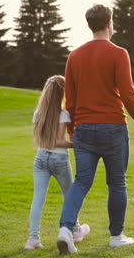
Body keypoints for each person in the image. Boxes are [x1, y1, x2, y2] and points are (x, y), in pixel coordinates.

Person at [56, 4, 134, 255]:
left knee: (82, 181)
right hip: (113, 128)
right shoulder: (119, 53)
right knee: (117, 183)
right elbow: (128, 93)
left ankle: (65, 230)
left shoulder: (74, 55)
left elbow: (70, 99)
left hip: (84, 129)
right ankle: (116, 236)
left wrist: (72, 129)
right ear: (109, 23)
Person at [25, 75, 90, 250]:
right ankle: (76, 230)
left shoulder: (38, 113)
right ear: (62, 93)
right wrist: (77, 144)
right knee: (70, 196)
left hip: (40, 158)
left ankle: (33, 240)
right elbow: (58, 142)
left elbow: (46, 141)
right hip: (59, 160)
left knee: (38, 199)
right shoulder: (63, 114)